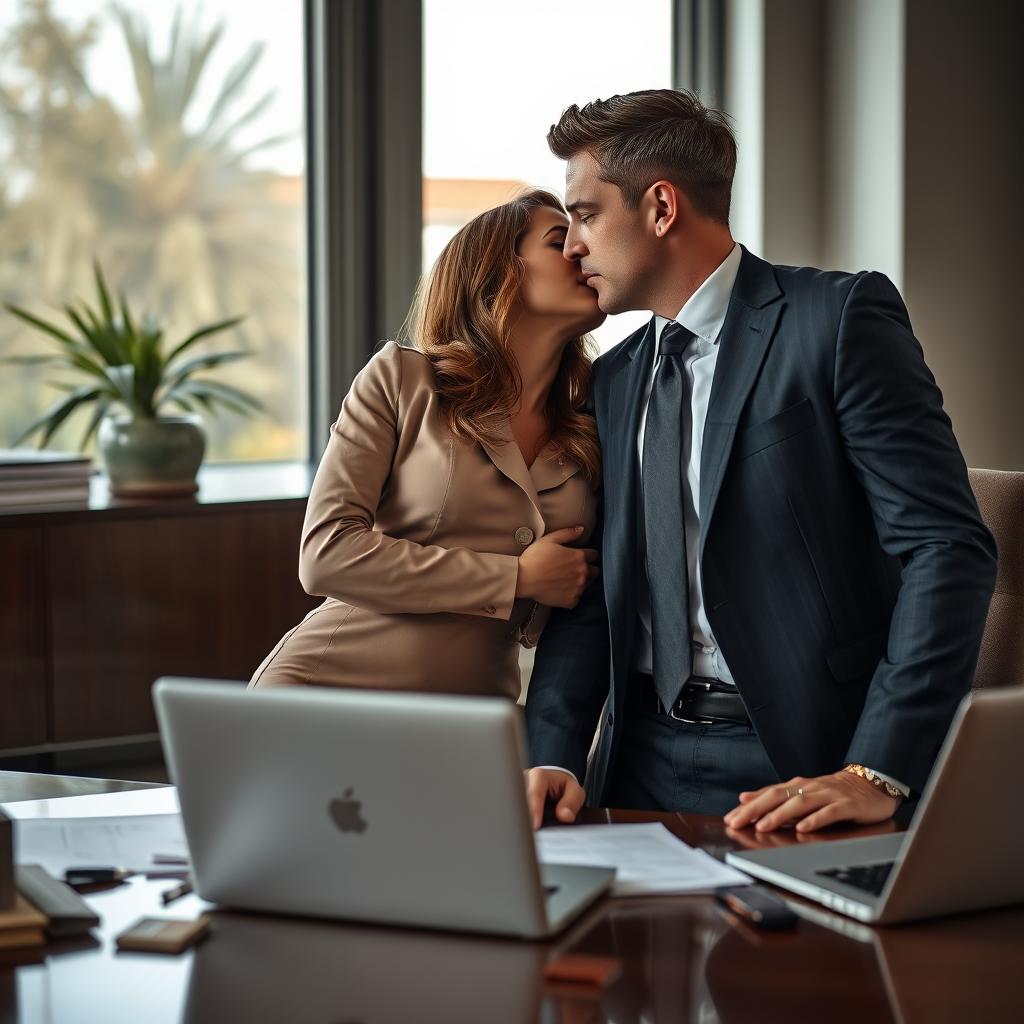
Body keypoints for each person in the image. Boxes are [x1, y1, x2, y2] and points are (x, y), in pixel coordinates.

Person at [524, 89, 997, 833]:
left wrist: (879, 766)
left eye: (584, 215)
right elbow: (595, 593)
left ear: (660, 207)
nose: (571, 246)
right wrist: (549, 753)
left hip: (807, 763)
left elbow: (947, 548)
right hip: (634, 761)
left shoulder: (836, 321)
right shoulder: (611, 380)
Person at [251, 189, 605, 698]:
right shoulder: (401, 380)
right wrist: (513, 578)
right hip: (326, 690)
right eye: (558, 241)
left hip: (476, 715)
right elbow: (325, 554)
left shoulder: (595, 414)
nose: (580, 250)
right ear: (500, 271)